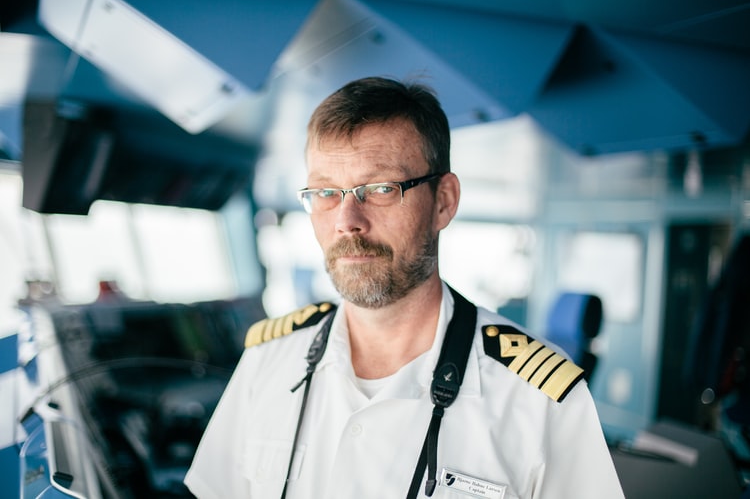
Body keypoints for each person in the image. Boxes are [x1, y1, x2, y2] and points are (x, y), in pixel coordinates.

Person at [184, 76, 624, 499]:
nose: (347, 222)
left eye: (379, 188)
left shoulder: (537, 399)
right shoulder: (267, 361)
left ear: (444, 201)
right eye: (325, 193)